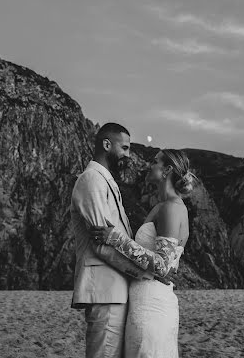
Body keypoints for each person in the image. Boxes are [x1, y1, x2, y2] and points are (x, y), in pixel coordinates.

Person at [90, 148, 196, 358]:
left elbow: (162, 266)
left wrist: (115, 238)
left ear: (167, 170)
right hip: (143, 300)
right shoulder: (162, 206)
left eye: (155, 161)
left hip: (151, 305)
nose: (150, 164)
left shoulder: (172, 208)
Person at [71, 122, 163, 358]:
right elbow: (101, 243)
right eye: (125, 148)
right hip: (104, 289)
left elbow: (113, 237)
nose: (128, 155)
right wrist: (143, 272)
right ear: (106, 144)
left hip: (115, 289)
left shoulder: (106, 180)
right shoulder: (91, 180)